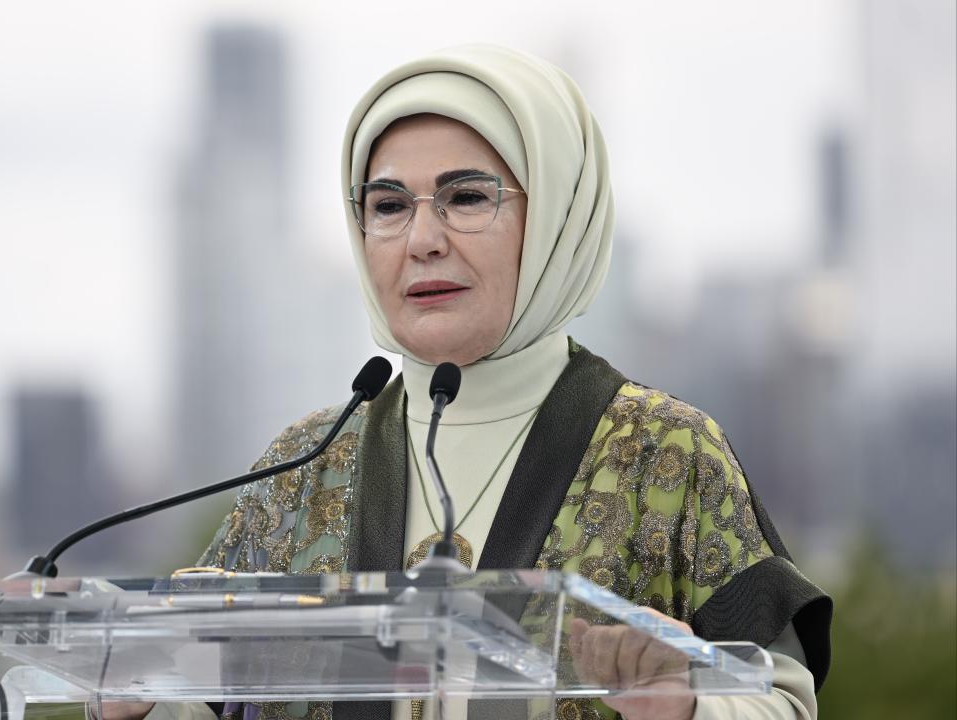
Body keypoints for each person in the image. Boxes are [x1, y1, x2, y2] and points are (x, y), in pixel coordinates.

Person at [126, 44, 832, 720]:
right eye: (388, 206)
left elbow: (783, 698)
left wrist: (687, 704)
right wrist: (135, 697)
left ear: (555, 217)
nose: (422, 240)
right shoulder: (304, 468)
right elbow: (197, 692)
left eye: (465, 197)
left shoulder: (665, 454)